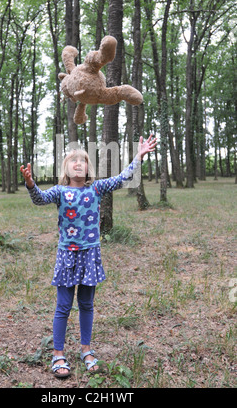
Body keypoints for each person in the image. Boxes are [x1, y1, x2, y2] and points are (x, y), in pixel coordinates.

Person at [20, 135, 157, 378]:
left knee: (86, 304)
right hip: (67, 256)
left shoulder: (96, 188)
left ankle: (86, 350)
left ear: (88, 168)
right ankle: (58, 354)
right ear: (66, 168)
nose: (78, 163)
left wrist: (139, 156)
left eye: (83, 160)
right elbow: (39, 199)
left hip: (90, 255)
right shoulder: (60, 191)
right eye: (73, 160)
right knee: (63, 306)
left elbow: (123, 178)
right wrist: (31, 183)